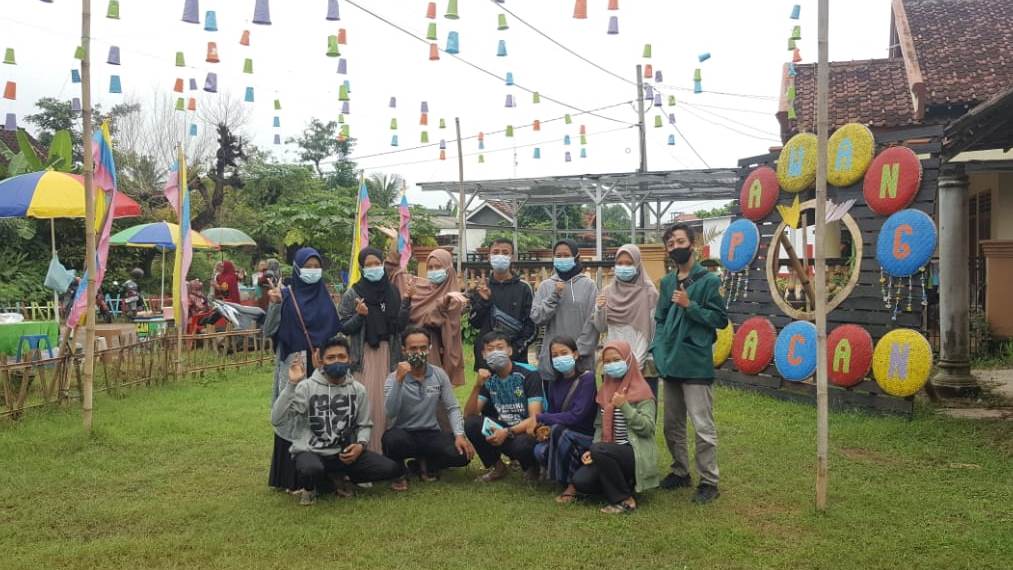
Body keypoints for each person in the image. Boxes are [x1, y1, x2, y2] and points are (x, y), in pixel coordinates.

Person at [271, 335, 403, 506]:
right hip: (312, 452)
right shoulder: (306, 387)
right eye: (331, 358)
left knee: (390, 468)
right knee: (311, 469)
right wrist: (291, 385)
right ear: (321, 361)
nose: (337, 362)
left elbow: (364, 424)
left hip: (344, 453)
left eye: (341, 357)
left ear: (349, 359)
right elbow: (277, 419)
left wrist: (360, 445)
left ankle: (338, 477)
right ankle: (312, 488)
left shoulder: (358, 389)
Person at [651, 223, 728, 504]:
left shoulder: (709, 281)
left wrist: (690, 305)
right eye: (670, 244)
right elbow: (660, 320)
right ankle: (680, 471)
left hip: (695, 363)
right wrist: (659, 349)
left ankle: (709, 481)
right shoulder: (667, 283)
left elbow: (719, 319)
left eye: (680, 241)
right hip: (670, 362)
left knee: (702, 426)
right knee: (672, 425)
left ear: (692, 244)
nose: (675, 247)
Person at [264, 247, 342, 493]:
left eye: (316, 266)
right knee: (292, 412)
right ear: (297, 269)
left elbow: (335, 330)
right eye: (307, 266)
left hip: (321, 365)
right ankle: (290, 478)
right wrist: (274, 305)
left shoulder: (324, 297)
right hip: (295, 364)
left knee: (320, 413)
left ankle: (320, 474)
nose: (312, 271)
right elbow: (268, 330)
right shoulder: (285, 296)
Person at [382, 326, 475, 491]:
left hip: (430, 432)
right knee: (391, 440)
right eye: (413, 348)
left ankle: (425, 464)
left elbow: (452, 407)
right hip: (404, 433)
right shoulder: (393, 378)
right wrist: (399, 381)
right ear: (404, 350)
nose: (419, 352)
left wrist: (459, 435)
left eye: (423, 348)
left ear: (430, 348)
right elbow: (391, 412)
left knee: (461, 455)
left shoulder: (439, 374)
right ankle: (399, 473)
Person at [571, 340, 658, 514]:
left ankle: (625, 499)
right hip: (608, 451)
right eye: (607, 362)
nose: (612, 365)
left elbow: (648, 428)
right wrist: (593, 449)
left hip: (633, 452)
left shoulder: (642, 392)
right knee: (581, 481)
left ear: (628, 360)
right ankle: (623, 483)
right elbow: (599, 425)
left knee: (601, 450)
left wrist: (625, 406)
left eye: (617, 360)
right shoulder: (604, 391)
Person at [338, 247, 411, 453]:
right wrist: (360, 316)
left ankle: (388, 452)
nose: (373, 268)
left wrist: (407, 302)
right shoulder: (353, 293)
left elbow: (399, 326)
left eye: (377, 263)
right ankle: (364, 451)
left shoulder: (392, 292)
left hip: (389, 356)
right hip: (364, 357)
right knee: (366, 404)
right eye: (368, 265)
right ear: (361, 268)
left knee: (387, 404)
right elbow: (343, 326)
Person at [463, 331, 544, 482]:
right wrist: (477, 386)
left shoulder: (529, 374)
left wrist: (506, 432)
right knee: (472, 423)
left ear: (509, 351)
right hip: (502, 428)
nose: (495, 352)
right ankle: (498, 467)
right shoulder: (488, 378)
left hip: (527, 430)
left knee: (523, 444)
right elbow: (469, 414)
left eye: (500, 348)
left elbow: (535, 418)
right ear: (483, 354)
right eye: (490, 349)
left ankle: (532, 467)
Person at [533, 336, 597, 504]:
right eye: (555, 355)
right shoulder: (555, 383)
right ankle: (563, 479)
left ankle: (572, 486)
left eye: (564, 353)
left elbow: (576, 415)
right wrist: (543, 428)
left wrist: (542, 417)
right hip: (563, 432)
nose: (559, 358)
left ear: (575, 354)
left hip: (586, 435)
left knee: (559, 432)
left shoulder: (587, 379)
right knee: (540, 450)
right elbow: (553, 412)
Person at [592, 244, 661, 394]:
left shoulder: (649, 293)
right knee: (614, 406)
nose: (623, 267)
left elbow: (650, 333)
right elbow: (601, 328)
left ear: (637, 265)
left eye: (629, 264)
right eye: (620, 263)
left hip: (641, 364)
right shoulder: (608, 291)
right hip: (613, 363)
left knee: (640, 407)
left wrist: (635, 365)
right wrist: (599, 309)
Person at [530, 239, 599, 381]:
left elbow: (593, 322)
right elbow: (537, 317)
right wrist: (554, 296)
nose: (562, 259)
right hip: (553, 360)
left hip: (581, 361)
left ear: (576, 256)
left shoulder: (589, 285)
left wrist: (576, 352)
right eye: (558, 256)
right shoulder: (546, 286)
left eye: (566, 255)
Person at [404, 248, 468, 386]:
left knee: (432, 386)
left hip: (434, 348)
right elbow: (411, 313)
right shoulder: (420, 288)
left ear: (448, 269)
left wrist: (444, 302)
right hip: (411, 345)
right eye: (430, 267)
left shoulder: (453, 297)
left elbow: (434, 321)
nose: (433, 271)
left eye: (438, 267)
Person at [469, 238, 535, 369]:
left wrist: (514, 350)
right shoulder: (482, 287)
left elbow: (531, 326)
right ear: (489, 256)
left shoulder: (524, 288)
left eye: (505, 252)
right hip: (486, 359)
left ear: (512, 257)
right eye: (495, 252)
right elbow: (475, 323)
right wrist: (484, 301)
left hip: (516, 359)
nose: (500, 256)